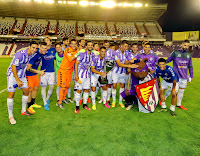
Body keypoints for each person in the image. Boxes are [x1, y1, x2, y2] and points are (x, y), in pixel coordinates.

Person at [6, 41, 38, 125]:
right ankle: (10, 116)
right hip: (12, 75)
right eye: (33, 47)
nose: (34, 49)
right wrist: (17, 80)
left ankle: (23, 111)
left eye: (36, 48)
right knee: (11, 95)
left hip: (22, 75)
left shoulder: (31, 54)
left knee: (26, 91)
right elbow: (13, 66)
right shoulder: (20, 54)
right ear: (29, 46)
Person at [166, 40, 194, 110]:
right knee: (173, 90)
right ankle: (163, 100)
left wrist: (191, 75)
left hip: (184, 77)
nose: (186, 47)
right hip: (176, 76)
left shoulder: (188, 55)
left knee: (181, 91)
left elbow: (190, 66)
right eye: (185, 45)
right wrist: (161, 63)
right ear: (181, 45)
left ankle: (179, 104)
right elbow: (168, 60)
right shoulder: (175, 53)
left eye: (187, 46)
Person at [112, 40, 138, 108]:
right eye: (124, 46)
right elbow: (119, 64)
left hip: (123, 72)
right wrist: (130, 66)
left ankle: (120, 101)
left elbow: (126, 61)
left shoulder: (126, 52)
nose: (126, 48)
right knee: (114, 86)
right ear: (121, 45)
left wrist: (130, 62)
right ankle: (114, 101)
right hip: (115, 72)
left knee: (122, 86)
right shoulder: (116, 52)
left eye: (127, 46)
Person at [26, 42, 47, 114]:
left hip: (34, 75)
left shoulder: (41, 54)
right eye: (42, 48)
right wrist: (39, 71)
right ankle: (29, 107)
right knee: (29, 90)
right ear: (39, 48)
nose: (44, 50)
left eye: (45, 48)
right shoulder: (35, 55)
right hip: (29, 75)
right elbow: (28, 68)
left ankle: (33, 102)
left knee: (36, 88)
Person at [57, 39, 79, 109]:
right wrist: (78, 53)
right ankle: (59, 102)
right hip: (63, 70)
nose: (73, 45)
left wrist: (78, 51)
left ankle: (63, 98)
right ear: (70, 44)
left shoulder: (76, 50)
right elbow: (70, 59)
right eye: (72, 44)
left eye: (75, 44)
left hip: (69, 71)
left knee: (67, 86)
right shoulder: (67, 50)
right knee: (63, 87)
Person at [74, 41, 93, 114]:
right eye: (89, 45)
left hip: (87, 76)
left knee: (86, 90)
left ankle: (84, 104)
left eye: (91, 45)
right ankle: (77, 106)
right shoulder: (82, 54)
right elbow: (76, 63)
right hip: (80, 76)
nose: (90, 46)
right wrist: (76, 75)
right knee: (79, 91)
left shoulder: (92, 55)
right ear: (86, 46)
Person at [40, 37, 56, 110]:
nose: (46, 42)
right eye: (45, 41)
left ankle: (47, 98)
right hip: (43, 72)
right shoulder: (42, 50)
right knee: (43, 87)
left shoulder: (53, 50)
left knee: (51, 87)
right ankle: (45, 103)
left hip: (52, 71)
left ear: (51, 42)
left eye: (47, 40)